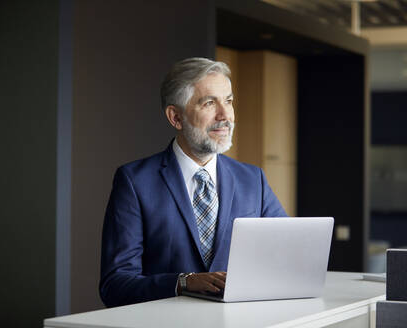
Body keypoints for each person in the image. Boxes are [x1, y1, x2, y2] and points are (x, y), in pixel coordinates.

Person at [99, 57, 287, 308]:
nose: (225, 115)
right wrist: (183, 282)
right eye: (209, 103)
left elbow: (286, 257)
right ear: (176, 117)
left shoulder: (253, 180)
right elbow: (115, 285)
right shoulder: (134, 181)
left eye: (228, 101)